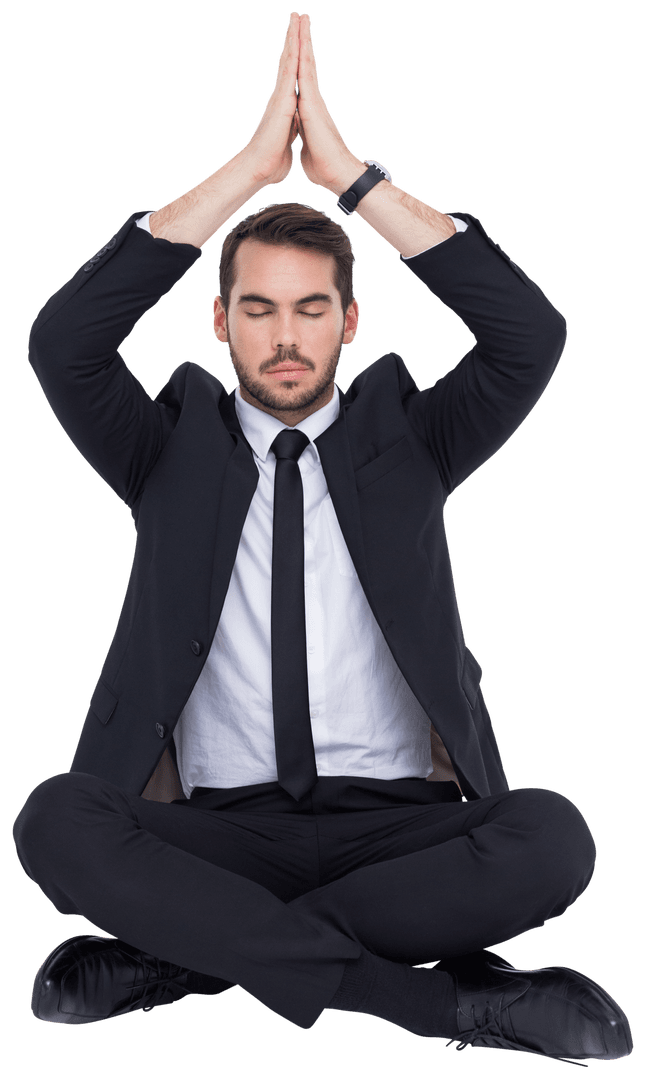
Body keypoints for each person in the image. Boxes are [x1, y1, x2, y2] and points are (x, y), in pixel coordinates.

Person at [12, 11, 632, 1064]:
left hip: (400, 831)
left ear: (350, 323)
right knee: (55, 823)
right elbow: (64, 341)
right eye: (256, 308)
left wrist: (348, 177)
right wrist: (249, 174)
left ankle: (195, 955)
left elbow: (529, 334)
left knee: (553, 840)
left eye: (309, 310)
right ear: (220, 322)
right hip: (220, 832)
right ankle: (448, 1009)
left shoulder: (419, 440)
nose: (284, 336)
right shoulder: (158, 452)